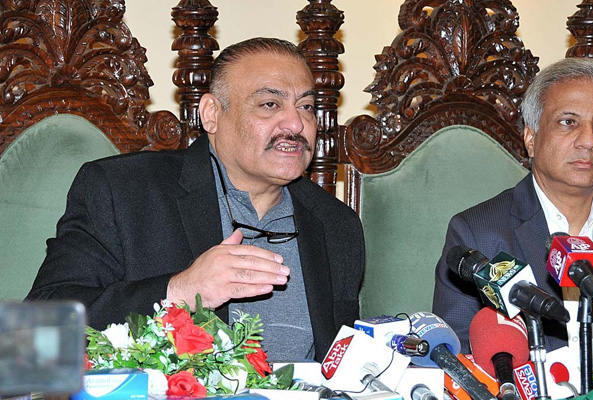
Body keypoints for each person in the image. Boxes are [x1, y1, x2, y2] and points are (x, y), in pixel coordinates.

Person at [26, 37, 365, 362]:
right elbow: (36, 333)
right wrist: (180, 292)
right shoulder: (123, 191)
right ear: (211, 114)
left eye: (306, 107)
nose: (296, 123)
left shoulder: (336, 225)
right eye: (269, 104)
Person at [432, 58, 593, 369]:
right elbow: (458, 363)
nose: (589, 141)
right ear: (531, 138)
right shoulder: (477, 233)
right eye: (569, 122)